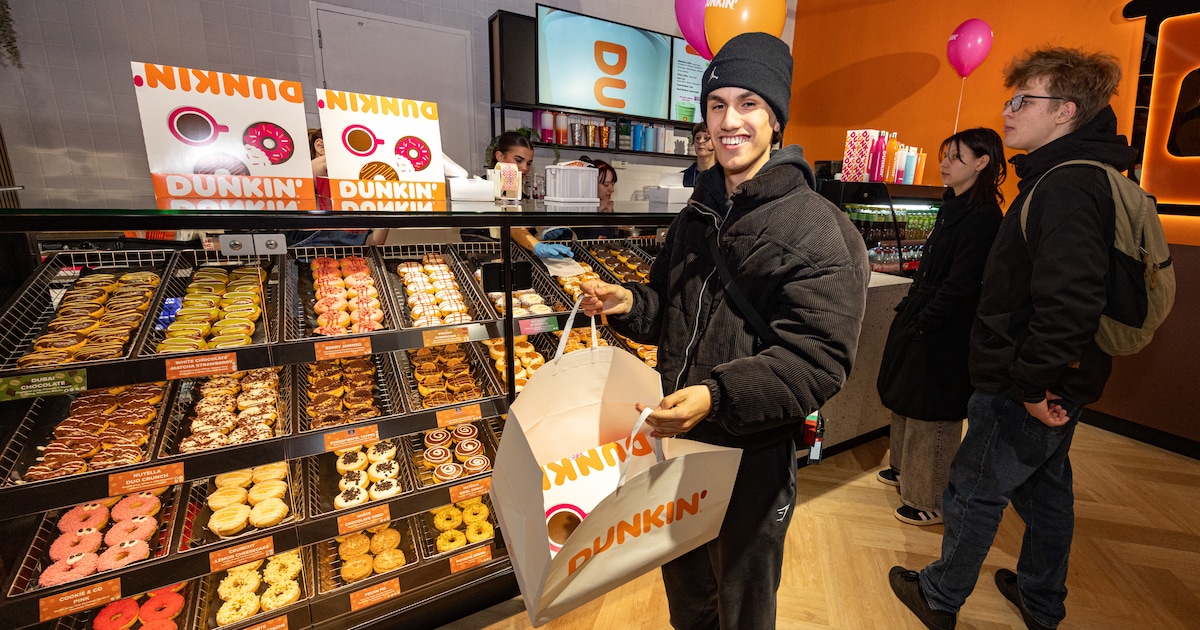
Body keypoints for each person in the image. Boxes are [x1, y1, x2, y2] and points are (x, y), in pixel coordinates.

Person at [580, 32, 870, 629]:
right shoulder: (696, 213)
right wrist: (625, 301)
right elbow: (670, 311)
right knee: (686, 590)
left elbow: (818, 361)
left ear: (776, 121)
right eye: (718, 105)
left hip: (752, 452)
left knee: (742, 601)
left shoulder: (820, 229)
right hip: (677, 440)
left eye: (749, 104)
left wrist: (716, 395)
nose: (730, 120)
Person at [889, 47, 1135, 630]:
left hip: (1025, 381)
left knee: (974, 490)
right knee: (1046, 493)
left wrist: (1027, 384)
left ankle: (940, 596)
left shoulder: (1066, 186)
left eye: (1024, 99)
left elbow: (1069, 304)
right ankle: (1041, 598)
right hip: (1056, 379)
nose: (1008, 111)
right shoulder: (1075, 176)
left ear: (1065, 112)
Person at [875, 127, 1005, 527]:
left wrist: (925, 321)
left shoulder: (983, 218)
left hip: (946, 327)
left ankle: (929, 498)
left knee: (935, 410)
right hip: (923, 314)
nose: (945, 163)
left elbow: (962, 284)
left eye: (956, 156)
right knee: (907, 398)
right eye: (945, 154)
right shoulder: (953, 206)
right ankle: (905, 472)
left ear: (982, 163)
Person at [462, 131, 572, 258]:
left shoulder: (521, 196)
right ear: (500, 156)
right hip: (483, 261)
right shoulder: (480, 188)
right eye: (518, 160)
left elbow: (522, 231)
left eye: (529, 163)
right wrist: (537, 246)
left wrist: (542, 235)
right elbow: (510, 227)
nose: (524, 167)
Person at [286, 128, 387, 247]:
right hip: (302, 263)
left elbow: (373, 243)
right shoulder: (296, 186)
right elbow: (306, 177)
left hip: (354, 262)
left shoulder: (357, 194)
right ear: (320, 146)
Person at [681, 121, 716, 187]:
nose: (700, 141)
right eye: (697, 138)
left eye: (706, 138)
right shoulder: (683, 177)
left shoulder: (725, 177)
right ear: (693, 142)